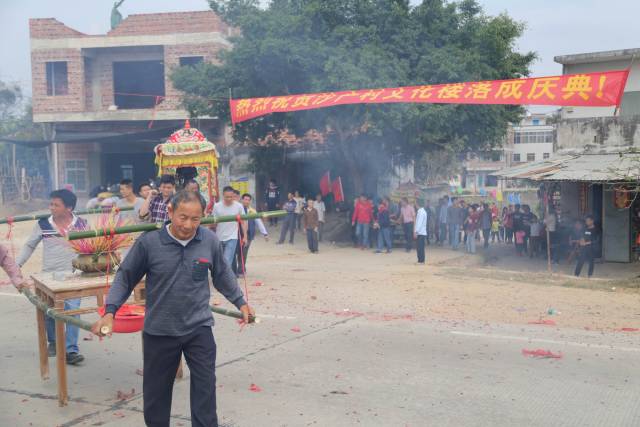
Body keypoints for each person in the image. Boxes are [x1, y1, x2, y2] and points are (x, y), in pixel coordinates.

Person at [92, 190, 254, 427]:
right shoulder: (150, 243)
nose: (188, 225)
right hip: (160, 330)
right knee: (156, 396)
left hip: (198, 327)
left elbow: (222, 275)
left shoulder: (208, 241)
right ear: (170, 211)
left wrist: (241, 302)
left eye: (195, 219)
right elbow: (125, 278)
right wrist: (110, 312)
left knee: (205, 390)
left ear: (203, 216)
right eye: (182, 217)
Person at [17, 189, 87, 365]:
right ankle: (54, 341)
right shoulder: (43, 224)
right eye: (51, 204)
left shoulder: (82, 224)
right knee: (48, 313)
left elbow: (91, 247)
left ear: (69, 208)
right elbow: (29, 246)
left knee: (73, 312)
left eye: (56, 205)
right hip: (48, 277)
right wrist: (17, 265)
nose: (51, 208)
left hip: (75, 276)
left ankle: (71, 350)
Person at [212, 186, 247, 268]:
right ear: (223, 195)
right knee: (219, 260)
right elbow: (214, 223)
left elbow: (243, 222)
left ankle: (226, 280)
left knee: (227, 260)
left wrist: (245, 236)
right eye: (227, 197)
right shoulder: (217, 206)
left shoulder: (238, 206)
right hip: (219, 237)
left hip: (232, 237)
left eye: (231, 197)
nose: (229, 199)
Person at [238, 193, 268, 273]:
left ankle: (241, 268)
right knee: (238, 252)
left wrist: (265, 233)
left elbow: (259, 222)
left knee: (244, 251)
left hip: (249, 235)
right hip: (238, 234)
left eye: (248, 200)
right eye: (245, 199)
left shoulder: (252, 211)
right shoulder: (238, 209)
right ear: (242, 200)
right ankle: (240, 268)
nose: (247, 201)